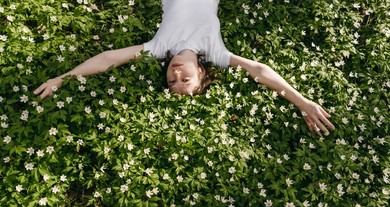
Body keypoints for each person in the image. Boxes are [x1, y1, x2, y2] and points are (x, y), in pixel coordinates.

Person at [34, 0, 335, 137]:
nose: (176, 73)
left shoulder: (159, 47)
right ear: (202, 73)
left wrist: (63, 77)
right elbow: (258, 70)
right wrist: (303, 102)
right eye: (185, 79)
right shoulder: (215, 52)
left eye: (171, 81)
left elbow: (107, 59)